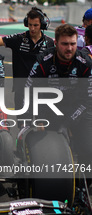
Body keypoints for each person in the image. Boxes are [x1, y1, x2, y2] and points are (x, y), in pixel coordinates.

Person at [25, 24, 92, 175]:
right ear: (56, 44)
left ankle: (83, 184)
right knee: (49, 155)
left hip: (79, 109)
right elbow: (29, 90)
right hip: (51, 109)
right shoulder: (44, 61)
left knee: (89, 151)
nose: (69, 48)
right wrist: (35, 119)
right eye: (65, 44)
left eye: (73, 44)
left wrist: (68, 123)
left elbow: (87, 100)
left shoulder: (86, 63)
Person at [0, 7, 54, 111]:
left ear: (42, 25)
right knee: (23, 124)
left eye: (35, 25)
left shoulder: (49, 43)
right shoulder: (19, 39)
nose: (32, 28)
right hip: (20, 89)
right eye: (30, 25)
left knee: (42, 124)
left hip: (41, 91)